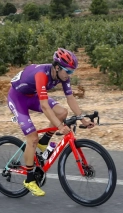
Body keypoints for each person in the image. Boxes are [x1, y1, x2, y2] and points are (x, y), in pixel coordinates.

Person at [7, 48, 95, 196]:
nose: (69, 75)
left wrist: (83, 119)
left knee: (62, 112)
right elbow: (45, 106)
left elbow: (70, 98)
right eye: (68, 71)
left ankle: (44, 142)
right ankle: (29, 180)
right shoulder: (42, 75)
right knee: (32, 138)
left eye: (72, 72)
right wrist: (60, 127)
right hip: (17, 99)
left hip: (32, 95)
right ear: (57, 67)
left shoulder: (63, 76)